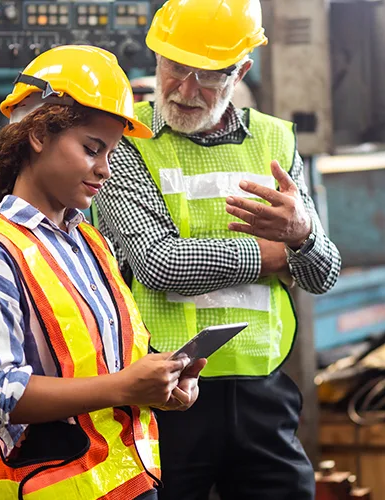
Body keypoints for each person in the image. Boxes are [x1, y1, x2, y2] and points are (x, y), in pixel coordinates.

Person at [95, 1, 342, 499]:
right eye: (175, 68)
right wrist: (273, 256)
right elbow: (159, 263)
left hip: (263, 393)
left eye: (207, 76)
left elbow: (325, 273)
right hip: (162, 394)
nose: (186, 90)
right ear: (155, 56)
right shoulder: (125, 140)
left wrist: (302, 238)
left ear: (241, 70)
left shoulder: (274, 140)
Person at [0, 45, 206, 500]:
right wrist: (123, 385)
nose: (104, 169)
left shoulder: (91, 243)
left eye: (111, 153)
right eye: (91, 149)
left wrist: (158, 385)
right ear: (39, 135)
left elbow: (103, 365)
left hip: (132, 483)